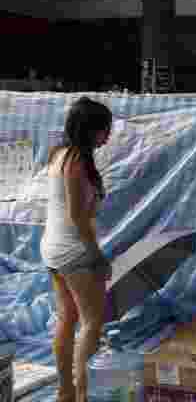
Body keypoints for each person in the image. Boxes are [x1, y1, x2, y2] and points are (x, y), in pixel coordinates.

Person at [43, 97, 114, 402]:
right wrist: (97, 256)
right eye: (104, 129)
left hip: (53, 247)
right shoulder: (76, 161)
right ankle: (82, 394)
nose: (107, 135)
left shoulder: (59, 154)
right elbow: (77, 216)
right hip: (74, 251)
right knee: (92, 323)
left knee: (67, 319)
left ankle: (66, 392)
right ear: (90, 129)